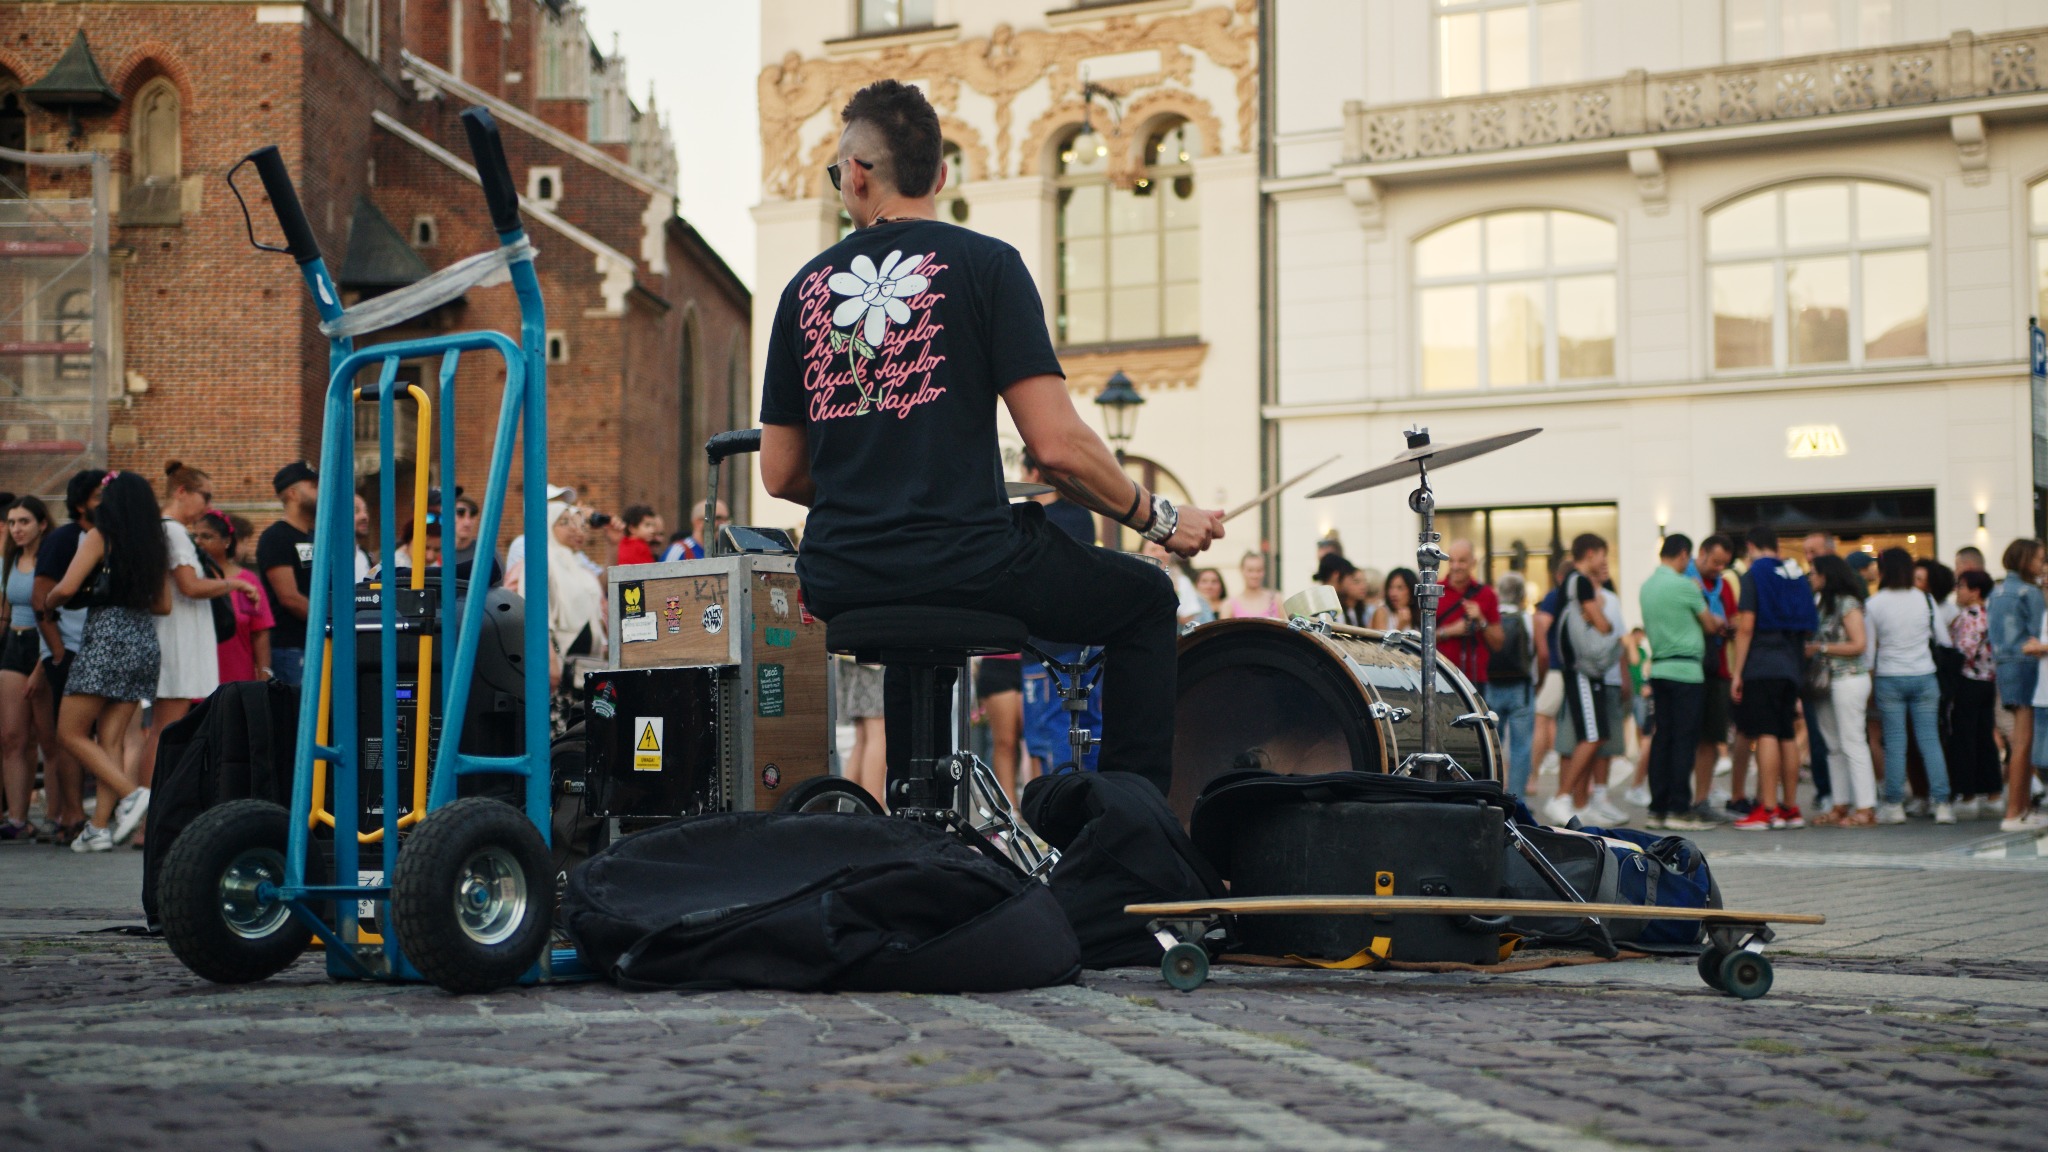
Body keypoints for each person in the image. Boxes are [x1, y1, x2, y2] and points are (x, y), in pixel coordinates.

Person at [758, 79, 1222, 797]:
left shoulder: (806, 289)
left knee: (918, 614)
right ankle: (1135, 830)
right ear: (941, 176)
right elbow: (1058, 450)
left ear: (855, 173)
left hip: (841, 574)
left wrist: (873, 475)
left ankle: (918, 816)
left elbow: (781, 474)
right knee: (1145, 601)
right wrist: (1159, 517)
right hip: (962, 558)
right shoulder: (986, 265)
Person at [47, 472, 168, 852]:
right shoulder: (154, 543)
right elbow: (163, 605)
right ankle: (98, 829)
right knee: (110, 739)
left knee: (69, 733)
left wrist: (48, 602)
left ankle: (132, 795)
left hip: (106, 637)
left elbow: (66, 588)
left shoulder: (101, 536)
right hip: (143, 639)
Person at [144, 463, 237, 837]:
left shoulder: (166, 531)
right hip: (178, 639)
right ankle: (148, 813)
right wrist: (235, 585)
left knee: (161, 728)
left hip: (175, 636)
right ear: (182, 491)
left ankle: (147, 810)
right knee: (164, 729)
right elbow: (189, 586)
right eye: (205, 496)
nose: (208, 505)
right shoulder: (176, 534)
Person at [30, 471, 100, 844]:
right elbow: (41, 594)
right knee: (70, 735)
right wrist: (57, 651)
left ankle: (100, 816)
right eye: (99, 495)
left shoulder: (113, 537)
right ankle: (72, 814)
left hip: (102, 647)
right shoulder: (63, 539)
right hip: (70, 649)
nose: (106, 501)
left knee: (100, 735)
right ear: (80, 503)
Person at [1730, 528, 1814, 830]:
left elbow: (1747, 625)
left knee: (1765, 732)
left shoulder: (1754, 574)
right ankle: (1791, 807)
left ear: (1751, 546)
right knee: (1786, 733)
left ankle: (1767, 809)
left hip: (1762, 663)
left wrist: (1737, 672)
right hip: (1791, 663)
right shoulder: (1795, 573)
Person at [1863, 547, 1954, 825]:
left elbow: (1868, 654)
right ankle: (1942, 804)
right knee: (1930, 740)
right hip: (1925, 675)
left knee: (1895, 742)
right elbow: (1944, 640)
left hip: (1889, 676)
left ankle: (1894, 804)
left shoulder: (1874, 604)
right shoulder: (1925, 600)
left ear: (1883, 570)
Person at [1638, 534, 1718, 831]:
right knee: (1684, 740)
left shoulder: (1646, 587)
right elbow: (1709, 624)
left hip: (1659, 669)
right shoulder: (1686, 586)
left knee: (1662, 738)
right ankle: (1679, 808)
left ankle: (1657, 807)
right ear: (1683, 554)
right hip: (1687, 671)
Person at [1547, 534, 1621, 826]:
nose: (1605, 561)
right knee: (1592, 736)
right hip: (1582, 670)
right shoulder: (1581, 582)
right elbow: (1602, 624)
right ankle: (1561, 797)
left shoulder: (1570, 582)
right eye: (1603, 554)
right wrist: (1603, 614)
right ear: (1591, 553)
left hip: (1580, 669)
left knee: (1591, 734)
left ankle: (1579, 802)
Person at [1805, 554, 1876, 827]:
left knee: (1853, 742)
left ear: (1827, 575)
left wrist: (1821, 648)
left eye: (1814, 572)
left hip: (1848, 678)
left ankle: (1866, 807)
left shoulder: (1848, 603)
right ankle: (1840, 804)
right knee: (1833, 745)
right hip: (1826, 681)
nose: (1811, 577)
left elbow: (1859, 644)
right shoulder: (1821, 603)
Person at [1, 496, 54, 839]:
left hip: (43, 644)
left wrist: (41, 665)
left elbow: (53, 614)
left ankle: (59, 816)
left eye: (24, 521)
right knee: (11, 737)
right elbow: (4, 610)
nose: (17, 529)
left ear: (42, 524)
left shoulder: (51, 560)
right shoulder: (9, 560)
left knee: (49, 739)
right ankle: (17, 820)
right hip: (13, 645)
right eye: (11, 522)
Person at [1988, 539, 2044, 831]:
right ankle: (2015, 812)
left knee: (2018, 742)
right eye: (2039, 558)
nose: (2041, 564)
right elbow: (2037, 636)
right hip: (2026, 666)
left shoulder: (1997, 590)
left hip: (2005, 666)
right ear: (2026, 560)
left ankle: (2019, 810)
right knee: (2024, 742)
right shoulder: (2030, 592)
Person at [256, 462, 320, 688]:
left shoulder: (316, 536)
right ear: (292, 493)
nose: (320, 490)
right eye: (313, 485)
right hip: (290, 647)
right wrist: (329, 622)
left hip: (318, 642)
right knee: (294, 717)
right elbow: (289, 597)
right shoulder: (276, 537)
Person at [1947, 568, 2003, 818]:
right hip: (1989, 681)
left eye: (1961, 586)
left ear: (1975, 591)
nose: (1957, 591)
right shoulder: (1991, 614)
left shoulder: (1969, 617)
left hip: (1968, 681)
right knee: (1985, 737)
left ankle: (1967, 795)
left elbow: (1964, 650)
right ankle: (1993, 793)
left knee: (1964, 739)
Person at [194, 511, 273, 684]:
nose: (198, 542)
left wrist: (264, 676)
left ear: (227, 541)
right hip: (194, 682)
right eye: (195, 536)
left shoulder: (247, 581)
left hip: (237, 680)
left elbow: (260, 633)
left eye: (206, 536)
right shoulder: (190, 581)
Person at [1488, 571, 1537, 798]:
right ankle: (1517, 800)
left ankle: (1492, 794)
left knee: (1492, 745)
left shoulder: (1492, 617)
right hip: (1520, 686)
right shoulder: (1526, 617)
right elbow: (1540, 653)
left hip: (1492, 684)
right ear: (1521, 594)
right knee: (1521, 747)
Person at [1435, 539, 1502, 692]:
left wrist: (1482, 620)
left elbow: (1498, 644)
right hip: (1441, 676)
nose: (1456, 566)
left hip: (1475, 679)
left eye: (1462, 561)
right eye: (1451, 561)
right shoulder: (1435, 591)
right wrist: (1450, 631)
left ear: (1473, 562)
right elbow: (1420, 639)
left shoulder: (1487, 594)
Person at [1151, 540, 1208, 628]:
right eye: (1153, 549)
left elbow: (1188, 618)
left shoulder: (1182, 581)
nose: (1160, 554)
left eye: (1163, 549)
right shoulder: (1135, 579)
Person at [448, 492, 502, 585]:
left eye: (472, 515)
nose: (467, 522)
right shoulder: (434, 551)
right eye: (460, 513)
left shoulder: (486, 553)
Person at [664, 499, 729, 562]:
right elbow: (665, 572)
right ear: (698, 522)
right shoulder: (680, 550)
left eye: (726, 519)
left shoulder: (723, 553)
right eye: (717, 518)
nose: (724, 524)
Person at [1225, 550, 1282, 619]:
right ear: (1241, 570)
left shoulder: (1276, 600)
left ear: (1264, 571)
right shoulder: (1230, 605)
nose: (1255, 575)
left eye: (1259, 570)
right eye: (1250, 570)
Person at [1375, 567, 1418, 632]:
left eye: (1400, 588)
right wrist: (1400, 627)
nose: (1393, 594)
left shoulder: (1416, 613)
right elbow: (1381, 641)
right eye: (1390, 587)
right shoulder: (1382, 612)